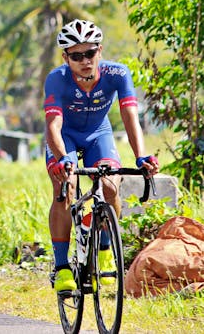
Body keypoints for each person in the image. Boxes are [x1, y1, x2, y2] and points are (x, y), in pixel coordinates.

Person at [44, 19, 160, 292]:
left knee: (110, 184)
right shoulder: (56, 79)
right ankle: (62, 268)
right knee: (65, 186)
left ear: (100, 50)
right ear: (66, 58)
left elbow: (130, 116)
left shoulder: (118, 74)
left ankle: (105, 245)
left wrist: (141, 156)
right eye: (76, 55)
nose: (85, 60)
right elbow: (53, 125)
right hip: (66, 137)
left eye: (91, 53)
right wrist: (62, 158)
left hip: (99, 134)